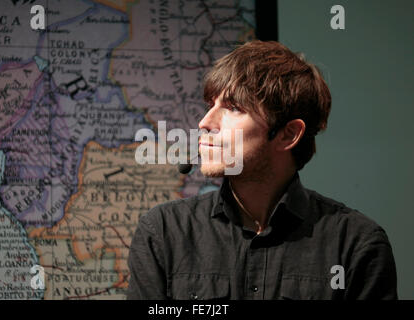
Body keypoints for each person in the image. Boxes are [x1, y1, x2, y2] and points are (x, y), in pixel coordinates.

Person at [126, 40, 397, 300]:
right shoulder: (162, 232)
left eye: (233, 108)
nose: (205, 122)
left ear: (288, 134)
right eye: (211, 105)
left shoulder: (356, 244)